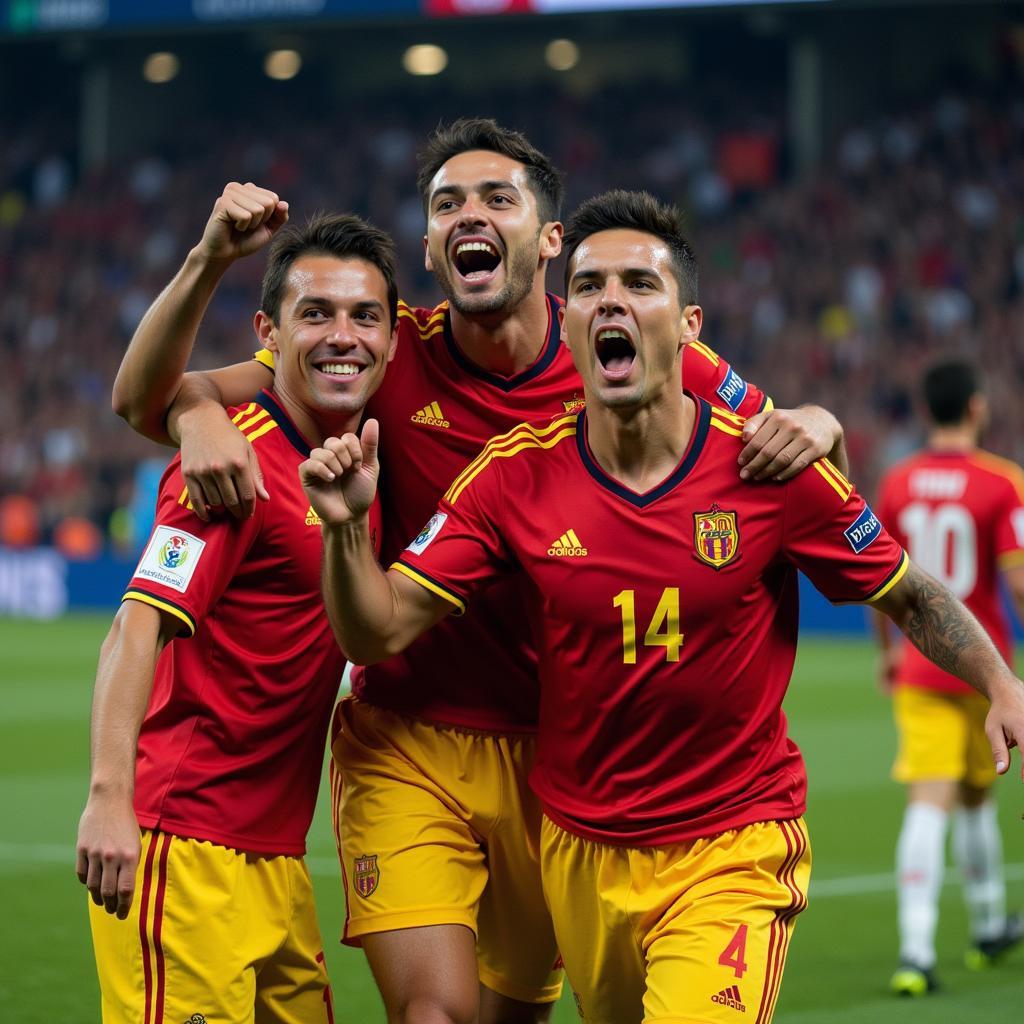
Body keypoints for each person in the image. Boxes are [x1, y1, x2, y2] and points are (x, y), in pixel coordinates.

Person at [110, 121, 848, 1024]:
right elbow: (156, 397)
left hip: (555, 758)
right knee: (437, 1016)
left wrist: (817, 416)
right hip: (407, 732)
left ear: (549, 240)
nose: (472, 215)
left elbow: (775, 440)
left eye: (499, 198)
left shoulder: (625, 348)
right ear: (429, 246)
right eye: (449, 203)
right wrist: (196, 416)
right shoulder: (385, 351)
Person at [299, 190, 1024, 1024]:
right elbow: (378, 628)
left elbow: (909, 590)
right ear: (568, 326)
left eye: (640, 285)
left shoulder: (767, 467)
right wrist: (349, 530)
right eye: (593, 285)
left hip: (733, 843)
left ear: (689, 325)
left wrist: (1001, 683)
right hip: (580, 847)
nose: (613, 300)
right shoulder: (512, 477)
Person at [76, 185, 397, 1023]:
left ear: (395, 339)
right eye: (316, 312)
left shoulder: (359, 448)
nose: (342, 336)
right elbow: (137, 619)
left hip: (274, 857)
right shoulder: (231, 467)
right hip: (183, 847)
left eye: (365, 317)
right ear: (270, 333)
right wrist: (111, 796)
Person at [874, 360, 1024, 996]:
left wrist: (886, 652)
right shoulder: (1002, 482)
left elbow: (877, 582)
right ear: (976, 407)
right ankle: (944, 940)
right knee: (972, 792)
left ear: (928, 411)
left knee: (943, 798)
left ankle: (944, 939)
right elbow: (1018, 581)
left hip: (921, 664)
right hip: (983, 669)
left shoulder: (899, 483)